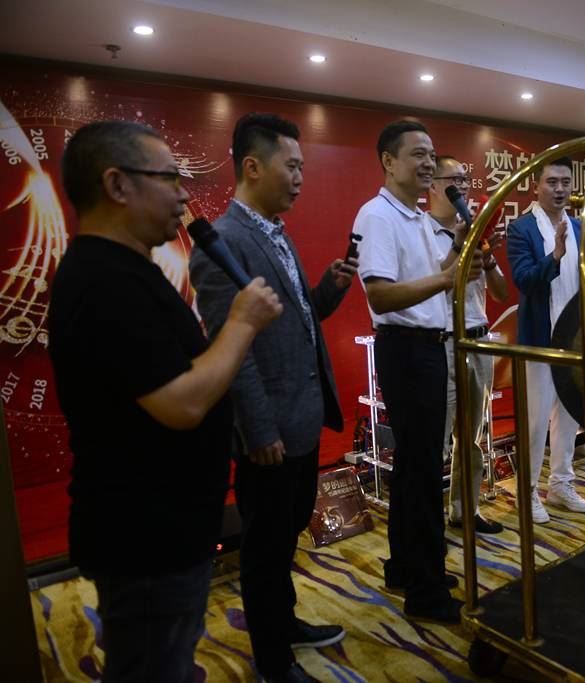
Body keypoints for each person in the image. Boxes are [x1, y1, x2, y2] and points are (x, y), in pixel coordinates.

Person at [50, 120, 282, 683]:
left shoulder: (126, 270)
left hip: (166, 526)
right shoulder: (104, 281)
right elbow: (181, 403)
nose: (183, 195)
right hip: (145, 536)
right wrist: (242, 323)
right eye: (170, 178)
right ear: (117, 184)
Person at [189, 113, 356, 683]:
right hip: (270, 435)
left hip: (300, 422)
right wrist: (257, 430)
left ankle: (284, 623)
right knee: (263, 549)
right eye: (293, 166)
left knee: (284, 538)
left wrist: (327, 292)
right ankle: (272, 658)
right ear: (253, 167)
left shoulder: (274, 232)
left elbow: (290, 321)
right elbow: (234, 351)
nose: (301, 178)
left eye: (303, 167)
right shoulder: (223, 243)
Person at [353, 120, 483, 624]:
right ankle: (427, 590)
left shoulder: (415, 217)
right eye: (418, 155)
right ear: (388, 161)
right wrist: (448, 278)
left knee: (414, 468)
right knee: (425, 470)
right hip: (407, 350)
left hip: (426, 347)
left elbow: (435, 277)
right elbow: (381, 294)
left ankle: (405, 567)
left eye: (432, 155)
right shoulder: (378, 216)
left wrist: (459, 249)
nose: (429, 164)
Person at [506, 157, 585, 523]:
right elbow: (524, 280)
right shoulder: (521, 228)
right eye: (552, 182)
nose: (559, 189)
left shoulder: (578, 226)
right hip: (539, 340)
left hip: (574, 339)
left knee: (569, 417)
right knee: (536, 422)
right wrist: (554, 256)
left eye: (565, 182)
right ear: (536, 186)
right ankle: (527, 492)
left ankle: (560, 485)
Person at [427, 155, 508, 535]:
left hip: (478, 343)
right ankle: (429, 523)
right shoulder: (422, 231)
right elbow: (427, 288)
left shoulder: (477, 231)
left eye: (465, 180)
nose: (461, 187)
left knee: (471, 438)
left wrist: (487, 256)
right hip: (442, 342)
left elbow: (502, 292)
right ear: (432, 185)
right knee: (436, 441)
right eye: (453, 179)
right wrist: (458, 247)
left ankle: (465, 509)